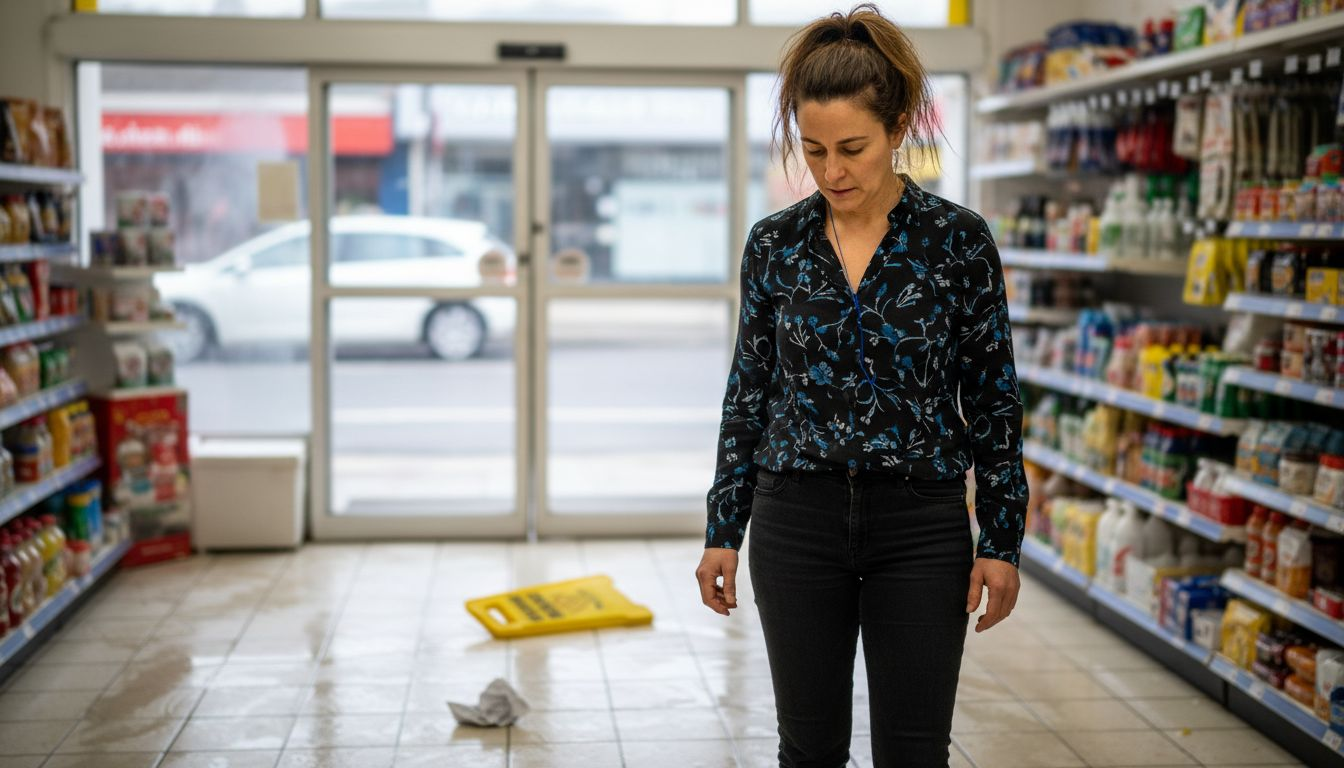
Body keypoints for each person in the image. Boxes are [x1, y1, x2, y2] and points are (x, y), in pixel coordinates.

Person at [694, 6, 1027, 767]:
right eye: (813, 150)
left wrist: (1002, 537)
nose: (832, 171)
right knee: (808, 752)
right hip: (795, 518)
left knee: (914, 754)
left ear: (899, 125)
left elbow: (992, 397)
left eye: (852, 148)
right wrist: (723, 527)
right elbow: (749, 392)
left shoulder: (956, 241)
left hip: (921, 523)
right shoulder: (775, 245)